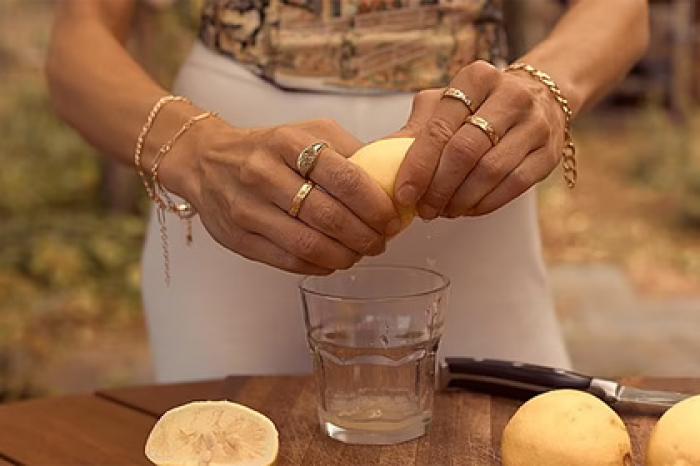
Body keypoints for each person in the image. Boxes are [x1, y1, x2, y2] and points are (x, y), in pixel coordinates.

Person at [47, 0, 649, 382]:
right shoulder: (218, 167)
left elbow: (623, 10)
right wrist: (198, 155)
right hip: (241, 191)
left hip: (471, 159)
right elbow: (79, 38)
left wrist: (544, 88)